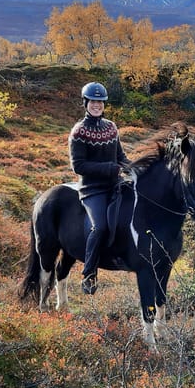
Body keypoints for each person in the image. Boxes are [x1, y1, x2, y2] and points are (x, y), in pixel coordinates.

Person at [68, 81, 129, 294]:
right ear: (85, 103)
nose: (97, 105)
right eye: (93, 101)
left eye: (100, 102)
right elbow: (78, 166)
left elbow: (120, 156)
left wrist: (132, 168)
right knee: (100, 227)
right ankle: (89, 274)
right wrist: (109, 169)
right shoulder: (79, 131)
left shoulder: (111, 127)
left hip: (115, 184)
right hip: (92, 189)